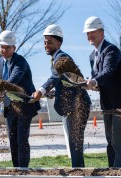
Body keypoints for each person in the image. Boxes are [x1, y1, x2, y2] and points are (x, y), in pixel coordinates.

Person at [33, 24, 91, 168]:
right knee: (74, 141)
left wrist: (42, 89)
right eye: (45, 42)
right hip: (74, 105)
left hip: (78, 105)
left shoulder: (61, 58)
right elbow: (64, 81)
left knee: (75, 141)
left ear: (59, 42)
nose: (46, 45)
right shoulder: (56, 58)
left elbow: (54, 77)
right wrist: (54, 92)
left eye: (49, 42)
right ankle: (78, 170)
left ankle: (78, 173)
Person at [83, 17, 121, 167]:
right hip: (107, 104)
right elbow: (99, 78)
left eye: (92, 32)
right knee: (110, 142)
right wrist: (92, 84)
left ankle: (119, 176)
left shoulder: (111, 50)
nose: (89, 36)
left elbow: (108, 71)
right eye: (87, 33)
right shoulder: (92, 56)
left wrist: (94, 81)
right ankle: (112, 172)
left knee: (119, 143)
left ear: (101, 33)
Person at [0, 30, 40, 168]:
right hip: (10, 106)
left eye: (7, 47)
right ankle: (16, 170)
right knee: (13, 140)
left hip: (24, 106)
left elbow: (13, 80)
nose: (4, 50)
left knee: (21, 139)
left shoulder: (20, 61)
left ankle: (24, 169)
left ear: (14, 47)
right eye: (2, 46)